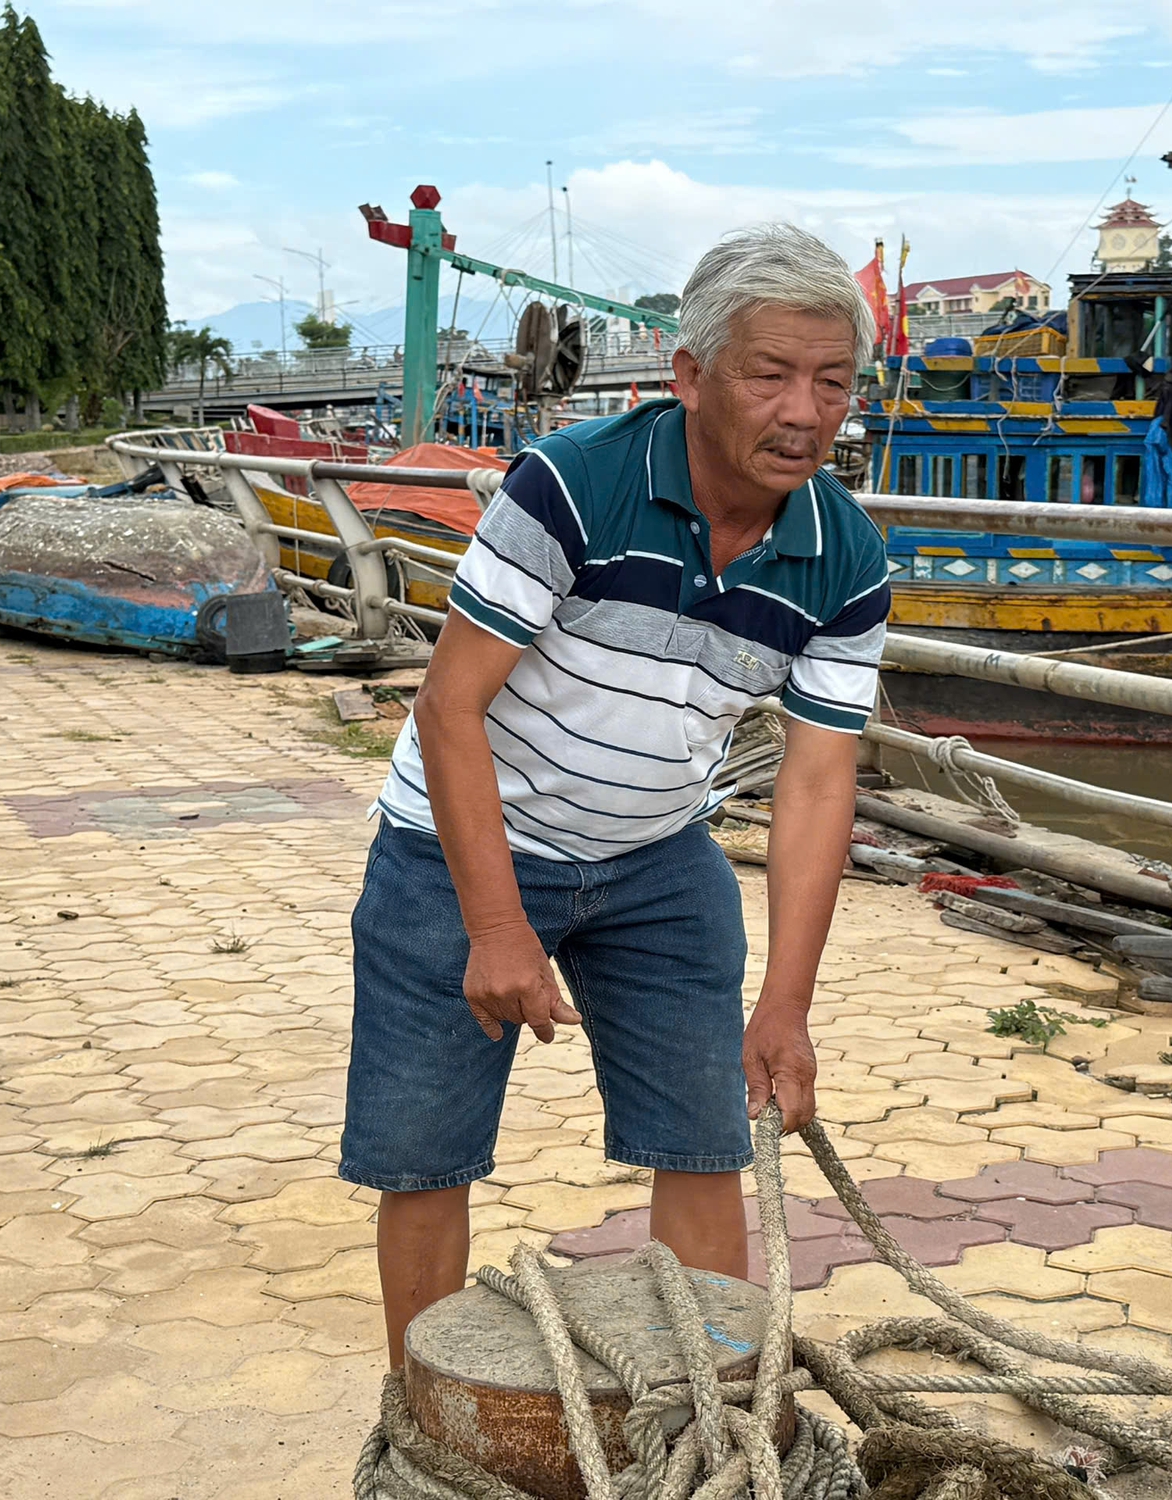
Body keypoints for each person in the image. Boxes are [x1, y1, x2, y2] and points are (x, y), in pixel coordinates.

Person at [340, 224, 891, 1368]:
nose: (804, 411)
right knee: (425, 1153)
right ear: (689, 377)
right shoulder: (574, 487)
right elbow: (448, 709)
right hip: (460, 841)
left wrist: (784, 1007)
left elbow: (816, 779)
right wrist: (495, 926)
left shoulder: (846, 559)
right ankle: (425, 1422)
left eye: (832, 383)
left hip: (655, 855)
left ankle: (705, 1413)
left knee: (706, 1138)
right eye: (768, 373)